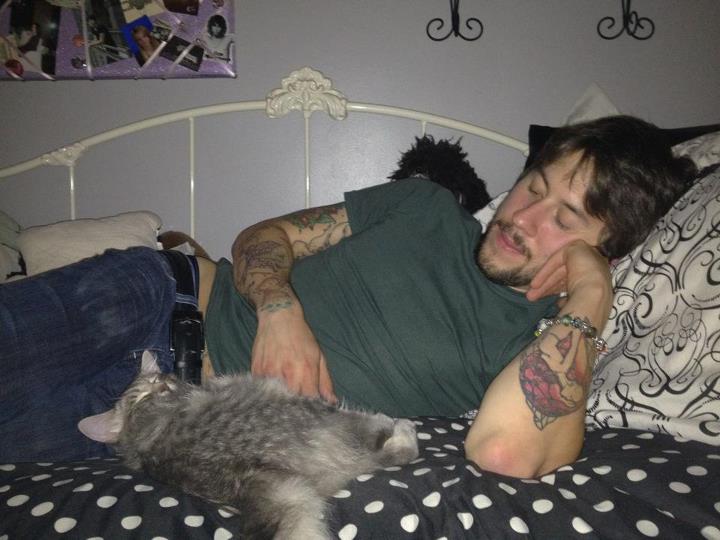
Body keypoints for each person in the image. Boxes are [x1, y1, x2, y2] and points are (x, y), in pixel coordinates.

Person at [0, 116, 695, 477]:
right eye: (533, 187)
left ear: (602, 250)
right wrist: (279, 308)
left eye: (564, 221)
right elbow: (263, 236)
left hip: (168, 422)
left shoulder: (539, 348)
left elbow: (506, 455)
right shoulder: (424, 206)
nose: (522, 218)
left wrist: (592, 291)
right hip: (155, 298)